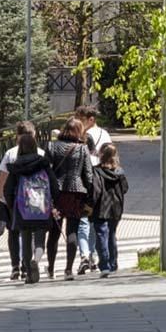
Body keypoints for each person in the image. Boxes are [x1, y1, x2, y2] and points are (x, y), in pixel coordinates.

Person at [4, 131, 59, 283]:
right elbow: (54, 185)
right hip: (42, 207)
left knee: (26, 240)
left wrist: (11, 206)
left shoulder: (16, 167)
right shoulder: (43, 164)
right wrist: (55, 202)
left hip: (23, 208)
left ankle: (29, 273)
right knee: (40, 239)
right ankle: (37, 259)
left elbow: (8, 189)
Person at [46, 117, 96, 281]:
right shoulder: (82, 149)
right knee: (72, 230)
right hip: (76, 193)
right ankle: (68, 269)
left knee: (54, 231)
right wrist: (90, 196)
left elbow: (46, 171)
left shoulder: (52, 146)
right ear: (79, 131)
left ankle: (51, 268)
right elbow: (88, 175)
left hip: (56, 193)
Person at [0, 121, 43, 280]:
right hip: (36, 198)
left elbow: (3, 178)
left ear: (17, 136)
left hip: (15, 198)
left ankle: (15, 266)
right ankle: (27, 264)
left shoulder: (10, 153)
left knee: (14, 232)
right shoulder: (41, 153)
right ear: (34, 135)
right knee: (31, 232)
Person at [75, 105, 113, 274]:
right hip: (100, 180)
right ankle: (92, 255)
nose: (78, 122)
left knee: (84, 219)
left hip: (85, 179)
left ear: (91, 119)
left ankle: (85, 255)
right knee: (93, 219)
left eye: (81, 119)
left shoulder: (83, 135)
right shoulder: (105, 134)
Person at [90, 143, 128, 277]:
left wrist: (89, 204)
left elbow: (96, 190)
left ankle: (104, 264)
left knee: (101, 235)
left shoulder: (96, 171)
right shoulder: (120, 172)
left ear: (101, 155)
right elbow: (125, 188)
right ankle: (113, 263)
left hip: (101, 207)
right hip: (116, 207)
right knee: (111, 234)